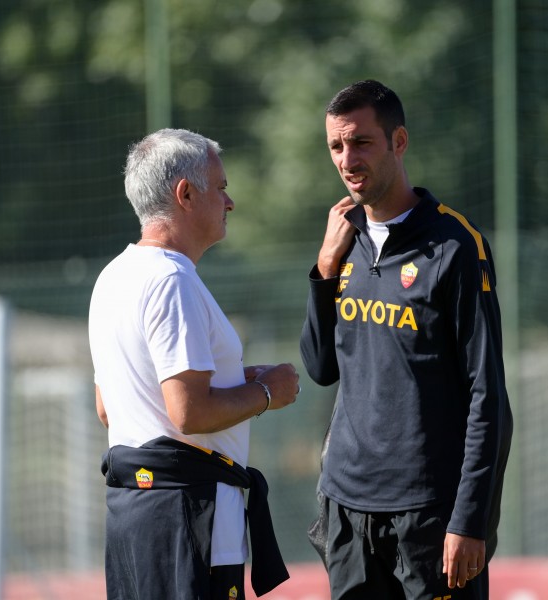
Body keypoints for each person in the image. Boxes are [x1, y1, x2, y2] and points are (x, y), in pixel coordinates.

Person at [300, 80, 513, 600]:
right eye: (336, 146)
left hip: (430, 515)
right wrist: (324, 272)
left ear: (399, 142)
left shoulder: (456, 246)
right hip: (347, 509)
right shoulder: (340, 241)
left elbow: (488, 397)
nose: (347, 159)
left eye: (361, 142)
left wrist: (471, 520)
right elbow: (321, 366)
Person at [89, 128, 300, 600]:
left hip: (136, 517)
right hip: (190, 522)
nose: (230, 202)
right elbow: (189, 413)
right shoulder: (170, 279)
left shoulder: (112, 277)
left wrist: (236, 378)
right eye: (221, 187)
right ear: (185, 194)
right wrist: (270, 392)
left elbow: (112, 407)